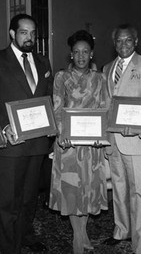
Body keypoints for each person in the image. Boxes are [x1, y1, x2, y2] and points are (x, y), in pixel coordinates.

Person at [0, 13, 53, 253]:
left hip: (38, 142)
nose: (29, 37)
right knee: (10, 201)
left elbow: (48, 99)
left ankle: (26, 235)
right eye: (24, 32)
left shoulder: (43, 63)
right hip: (11, 142)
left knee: (29, 198)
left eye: (32, 33)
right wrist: (4, 126)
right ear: (12, 33)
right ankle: (10, 247)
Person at [102, 24, 141, 254]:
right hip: (114, 141)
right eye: (119, 41)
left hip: (138, 139)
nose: (123, 45)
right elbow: (106, 106)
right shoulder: (108, 68)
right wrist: (105, 137)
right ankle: (122, 230)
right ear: (114, 43)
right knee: (118, 188)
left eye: (128, 41)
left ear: (135, 42)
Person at [49, 30, 109, 253]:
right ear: (70, 55)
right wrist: (61, 134)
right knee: (72, 190)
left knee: (87, 191)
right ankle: (78, 238)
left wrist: (101, 136)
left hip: (92, 144)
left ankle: (82, 235)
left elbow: (105, 108)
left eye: (85, 52)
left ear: (91, 54)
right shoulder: (61, 77)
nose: (81, 56)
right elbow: (56, 108)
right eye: (76, 52)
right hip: (68, 144)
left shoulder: (100, 78)